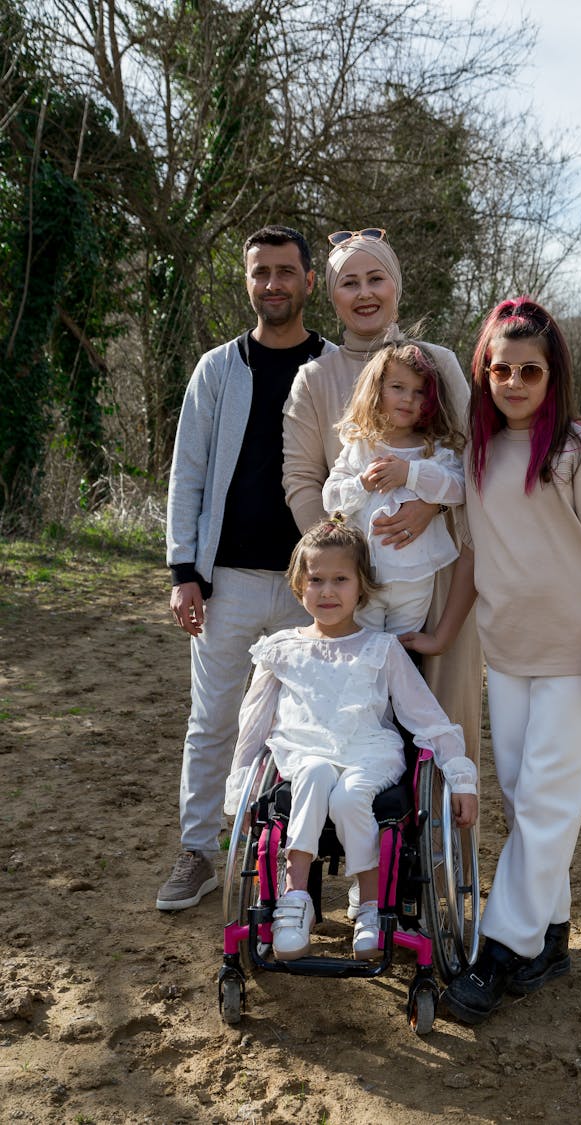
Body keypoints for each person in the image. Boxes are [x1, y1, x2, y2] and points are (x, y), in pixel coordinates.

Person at [402, 297, 581, 1023]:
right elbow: (475, 554)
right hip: (507, 656)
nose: (513, 381)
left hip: (574, 660)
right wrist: (443, 635)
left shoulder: (577, 452)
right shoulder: (478, 454)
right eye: (499, 369)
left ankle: (499, 949)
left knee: (545, 803)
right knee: (522, 798)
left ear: (552, 373)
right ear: (484, 372)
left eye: (529, 370)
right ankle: (550, 938)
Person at [157, 225, 336, 912]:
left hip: (310, 586)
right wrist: (183, 572)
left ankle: (293, 867)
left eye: (286, 271)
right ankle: (199, 850)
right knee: (214, 722)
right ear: (247, 280)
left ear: (308, 281)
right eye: (261, 271)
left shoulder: (332, 368)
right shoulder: (217, 370)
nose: (273, 284)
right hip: (224, 579)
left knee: (304, 725)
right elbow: (188, 475)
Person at [223, 518, 478, 960]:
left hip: (370, 754)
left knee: (349, 796)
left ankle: (370, 904)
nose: (327, 591)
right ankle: (294, 898)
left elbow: (428, 719)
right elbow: (254, 727)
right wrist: (240, 792)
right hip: (304, 755)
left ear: (362, 587)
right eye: (315, 580)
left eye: (340, 580)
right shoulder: (280, 649)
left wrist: (461, 778)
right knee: (316, 773)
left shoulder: (381, 649)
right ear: (298, 585)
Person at [283, 228, 482, 763]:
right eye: (350, 282)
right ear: (332, 295)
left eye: (377, 278)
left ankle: (444, 845)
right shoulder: (314, 377)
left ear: (396, 285)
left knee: (441, 724)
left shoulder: (436, 362)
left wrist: (429, 504)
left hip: (433, 578)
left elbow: (471, 460)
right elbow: (303, 481)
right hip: (354, 580)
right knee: (355, 709)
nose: (365, 292)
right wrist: (334, 563)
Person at [321, 337, 465, 634]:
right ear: (377, 390)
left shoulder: (434, 449)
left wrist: (409, 473)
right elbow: (331, 498)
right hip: (363, 575)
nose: (408, 399)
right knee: (365, 650)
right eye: (397, 388)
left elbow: (458, 489)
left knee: (402, 656)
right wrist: (362, 483)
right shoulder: (362, 446)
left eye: (419, 392)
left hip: (416, 577)